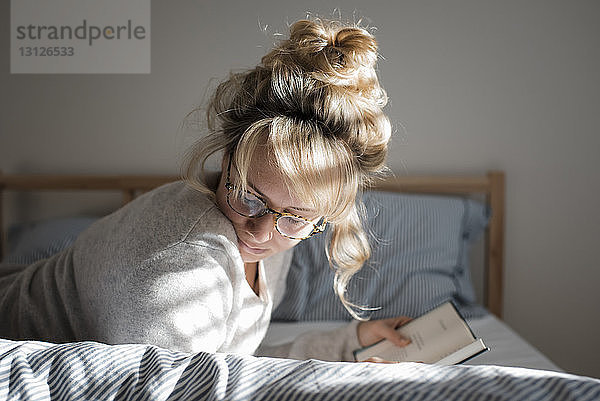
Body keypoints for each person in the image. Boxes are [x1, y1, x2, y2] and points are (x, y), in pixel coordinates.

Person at [0, 18, 411, 361]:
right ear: (225, 159)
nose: (261, 233)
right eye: (251, 197)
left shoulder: (267, 238)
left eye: (297, 218)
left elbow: (228, 354)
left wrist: (349, 345)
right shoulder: (181, 268)